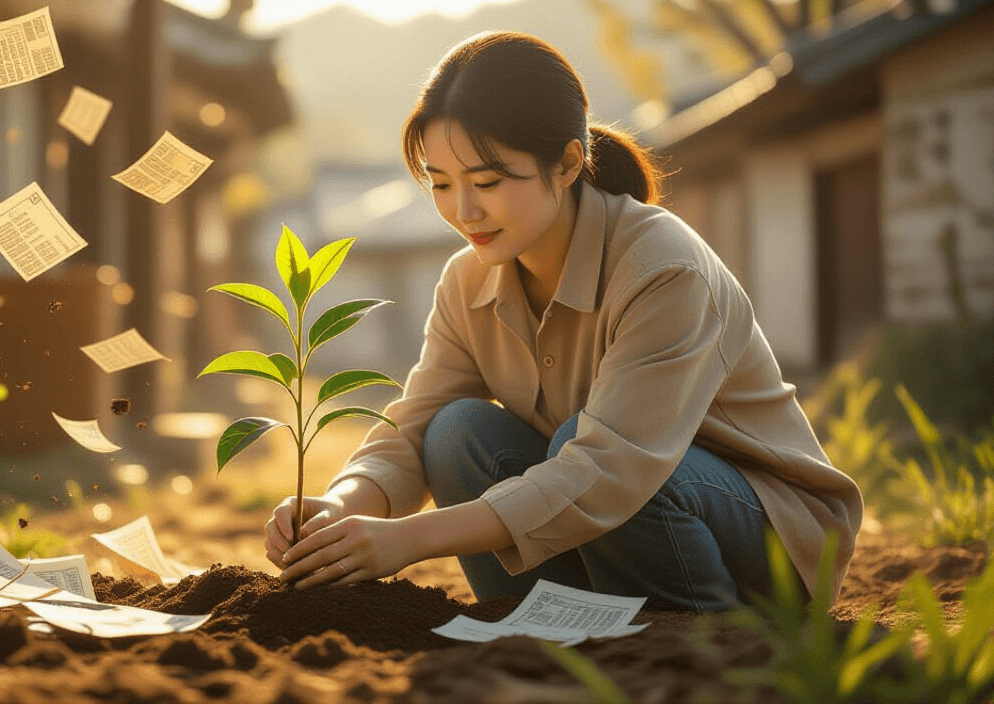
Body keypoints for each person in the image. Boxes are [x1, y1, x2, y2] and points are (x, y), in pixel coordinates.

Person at [264, 31, 864, 612]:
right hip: (616, 513)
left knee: (581, 441)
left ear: (569, 163)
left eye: (488, 182)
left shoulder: (662, 268)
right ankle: (552, 614)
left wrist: (411, 540)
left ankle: (700, 620)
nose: (463, 211)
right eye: (440, 184)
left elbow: (612, 466)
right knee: (455, 431)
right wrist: (340, 506)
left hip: (761, 537)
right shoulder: (467, 280)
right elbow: (413, 429)